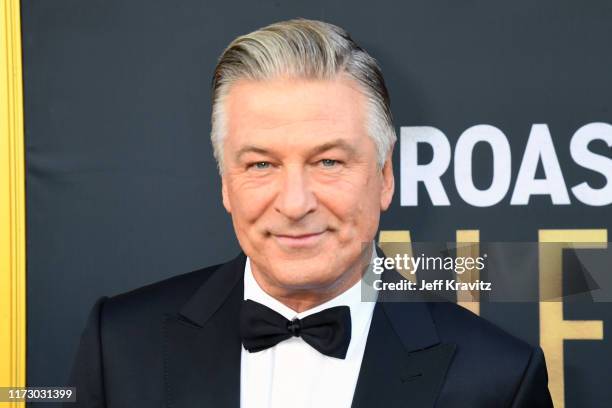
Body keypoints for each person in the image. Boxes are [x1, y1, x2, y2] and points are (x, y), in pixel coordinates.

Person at [67, 18, 553, 407]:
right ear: (224, 183)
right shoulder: (121, 344)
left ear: (385, 177)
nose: (295, 204)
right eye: (261, 164)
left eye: (328, 161)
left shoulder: (497, 378)